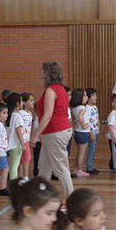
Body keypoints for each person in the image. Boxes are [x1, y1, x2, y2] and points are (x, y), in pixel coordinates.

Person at [31, 61, 74, 197]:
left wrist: (35, 134)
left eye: (43, 71)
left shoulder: (51, 90)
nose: (41, 74)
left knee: (61, 168)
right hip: (56, 132)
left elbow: (48, 115)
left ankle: (71, 199)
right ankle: (40, 195)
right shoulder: (60, 89)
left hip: (55, 132)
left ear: (48, 74)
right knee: (44, 166)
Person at [71, 88, 91, 178]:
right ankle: (79, 170)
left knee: (79, 152)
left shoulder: (74, 107)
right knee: (82, 153)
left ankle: (76, 168)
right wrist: (84, 126)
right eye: (85, 95)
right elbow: (80, 118)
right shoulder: (82, 108)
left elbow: (75, 119)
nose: (87, 97)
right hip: (83, 132)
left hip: (77, 132)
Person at [6, 93, 24, 182]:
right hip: (16, 144)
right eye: (21, 101)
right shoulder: (17, 116)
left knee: (13, 164)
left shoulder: (9, 115)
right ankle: (13, 184)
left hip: (10, 143)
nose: (22, 103)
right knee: (14, 165)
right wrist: (23, 144)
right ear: (17, 103)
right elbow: (18, 132)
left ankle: (12, 182)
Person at [18, 93, 35, 181]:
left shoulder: (29, 113)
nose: (33, 102)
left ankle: (21, 176)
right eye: (31, 100)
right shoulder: (21, 113)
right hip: (22, 139)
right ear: (24, 102)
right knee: (26, 157)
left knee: (24, 158)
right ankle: (24, 176)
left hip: (26, 139)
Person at [84, 88, 100, 176]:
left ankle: (91, 166)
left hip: (96, 131)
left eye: (95, 95)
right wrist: (91, 133)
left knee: (93, 150)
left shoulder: (95, 107)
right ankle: (89, 168)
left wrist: (99, 129)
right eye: (93, 95)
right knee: (91, 149)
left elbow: (97, 119)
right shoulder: (87, 108)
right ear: (88, 97)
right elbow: (87, 121)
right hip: (92, 132)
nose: (95, 97)